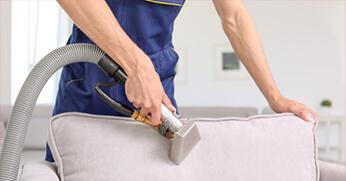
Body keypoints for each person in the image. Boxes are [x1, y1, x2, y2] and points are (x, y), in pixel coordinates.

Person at [46, 0, 318, 162]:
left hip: (158, 86)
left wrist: (274, 96)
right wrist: (137, 65)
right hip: (91, 78)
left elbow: (234, 17)